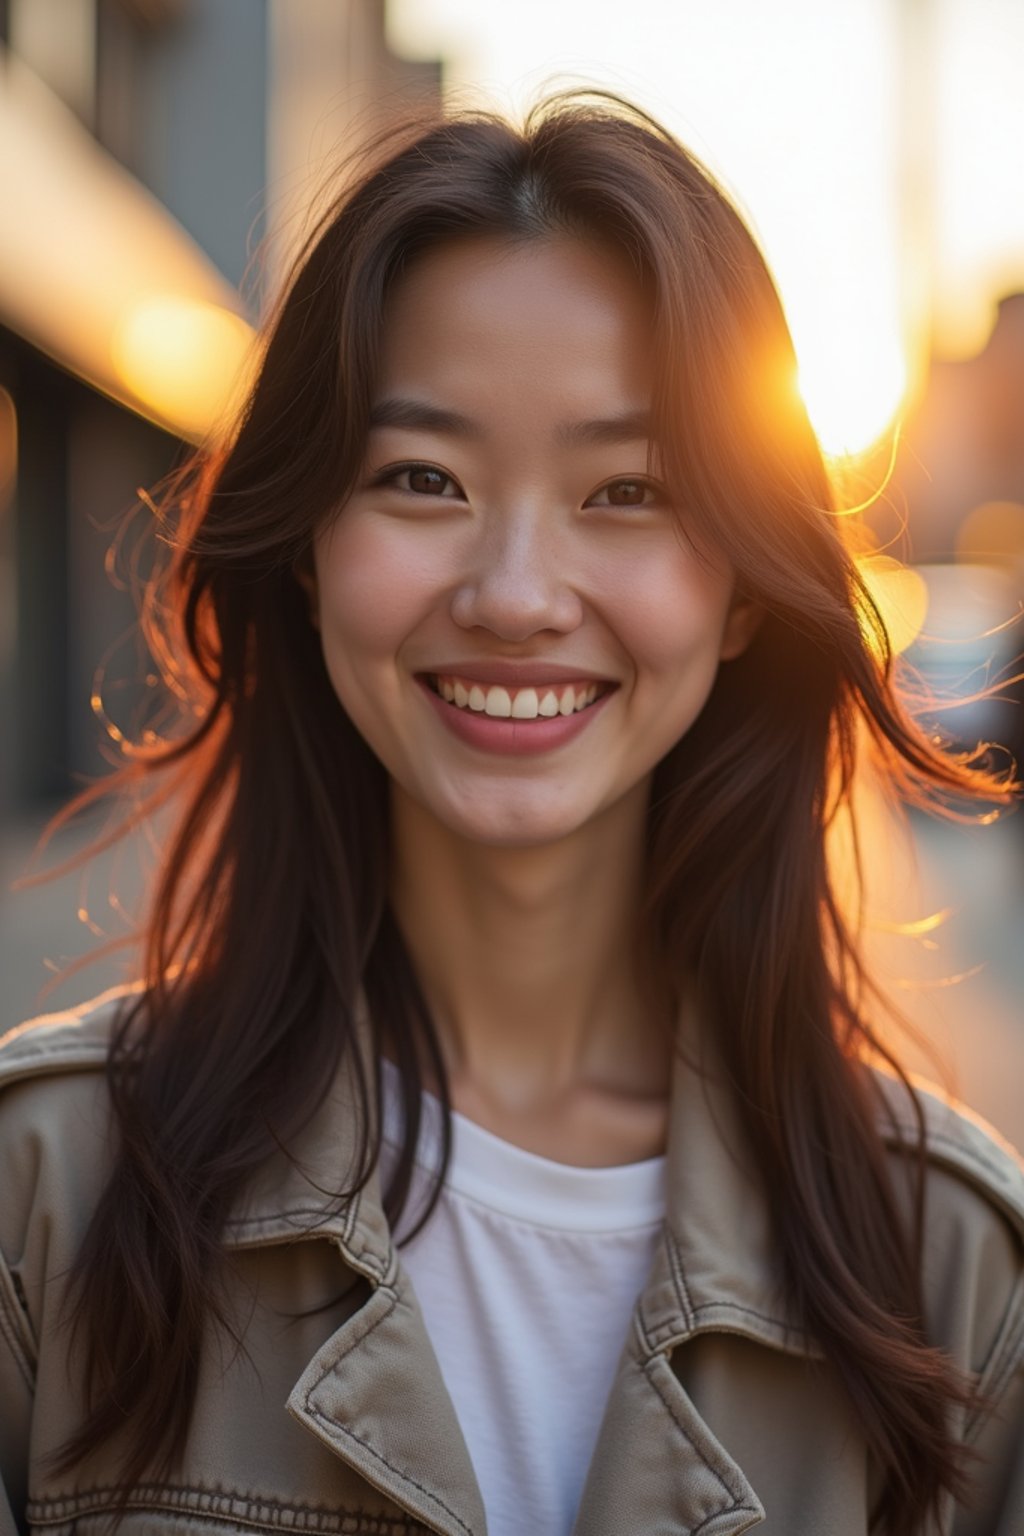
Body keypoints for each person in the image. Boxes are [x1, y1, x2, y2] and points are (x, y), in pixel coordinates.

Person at [1, 89, 1022, 1536]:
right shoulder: (44, 1195)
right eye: (422, 478)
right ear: (307, 551)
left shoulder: (955, 1273)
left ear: (739, 589)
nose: (518, 595)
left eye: (626, 490)